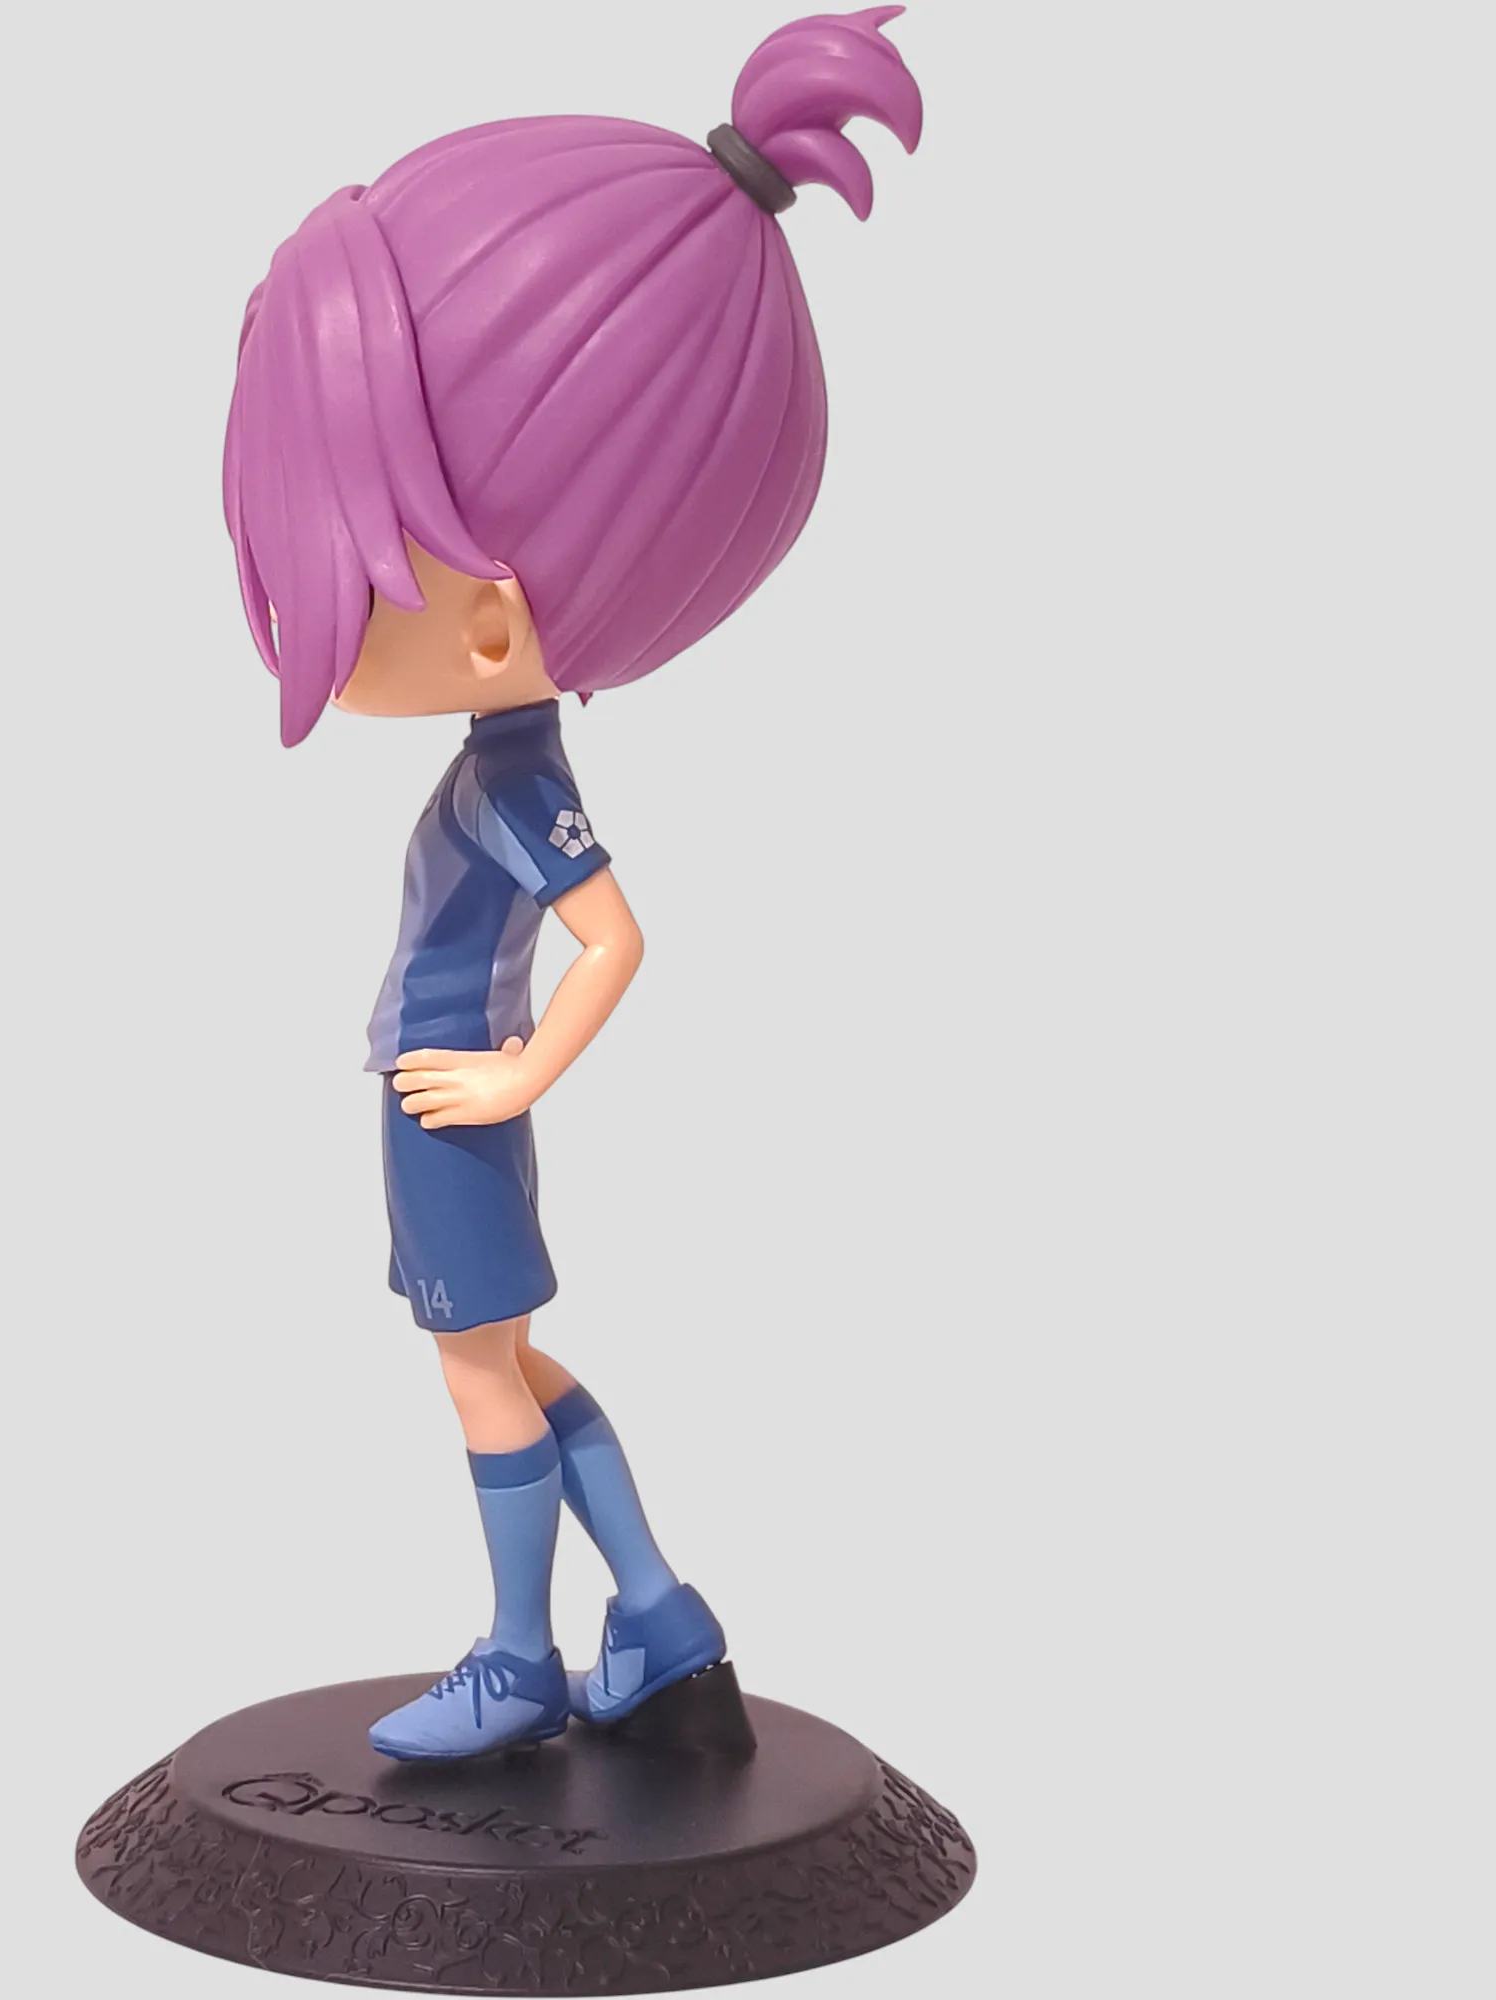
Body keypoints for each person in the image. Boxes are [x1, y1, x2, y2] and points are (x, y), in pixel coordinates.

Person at [222, 8, 924, 1760]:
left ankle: (518, 1657)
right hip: (442, 1102)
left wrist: (511, 1077)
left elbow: (617, 936)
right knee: (519, 1363)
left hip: (453, 1107)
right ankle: (663, 1617)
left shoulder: (518, 782)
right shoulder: (498, 763)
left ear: (483, 617)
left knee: (480, 1375)